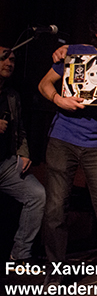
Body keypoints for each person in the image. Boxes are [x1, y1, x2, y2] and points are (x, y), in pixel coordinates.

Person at [38, 7, 97, 286]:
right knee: (55, 208)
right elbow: (44, 84)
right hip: (63, 139)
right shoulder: (77, 52)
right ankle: (55, 270)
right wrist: (59, 100)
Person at [0, 46, 46, 264]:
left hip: (5, 164)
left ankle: (20, 255)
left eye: (12, 60)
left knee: (37, 195)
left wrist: (23, 152)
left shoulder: (11, 95)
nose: (9, 63)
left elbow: (20, 129)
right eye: (4, 59)